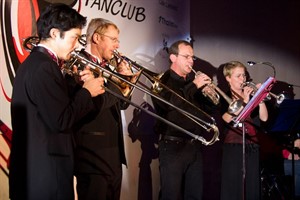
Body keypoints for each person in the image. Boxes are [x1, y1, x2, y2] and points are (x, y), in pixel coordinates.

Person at [9, 3, 105, 200]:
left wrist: (78, 87)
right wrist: (86, 92)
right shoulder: (44, 67)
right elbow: (61, 120)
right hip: (45, 177)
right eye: (75, 38)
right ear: (54, 34)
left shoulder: (39, 64)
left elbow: (55, 113)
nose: (78, 45)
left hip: (40, 173)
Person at [73, 18, 132, 200]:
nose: (117, 45)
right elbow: (95, 105)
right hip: (92, 155)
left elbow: (122, 104)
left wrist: (126, 83)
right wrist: (119, 82)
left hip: (113, 155)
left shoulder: (110, 67)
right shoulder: (78, 64)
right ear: (97, 38)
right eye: (113, 39)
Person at [152, 40, 213, 200]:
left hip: (194, 146)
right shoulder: (162, 80)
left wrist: (210, 94)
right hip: (172, 147)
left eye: (192, 57)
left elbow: (210, 110)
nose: (191, 61)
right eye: (186, 57)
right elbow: (170, 104)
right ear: (173, 58)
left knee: (194, 196)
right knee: (170, 196)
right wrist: (193, 86)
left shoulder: (190, 82)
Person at [220, 61, 268, 200]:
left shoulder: (250, 95)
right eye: (238, 76)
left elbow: (264, 119)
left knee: (252, 185)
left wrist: (260, 98)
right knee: (233, 186)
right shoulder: (224, 96)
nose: (243, 79)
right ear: (228, 78)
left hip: (252, 146)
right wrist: (245, 101)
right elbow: (225, 118)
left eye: (244, 75)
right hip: (233, 147)